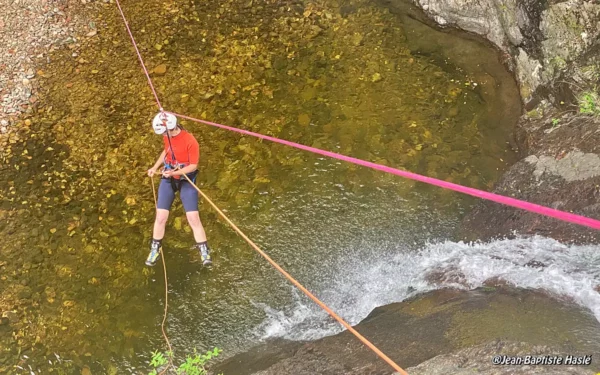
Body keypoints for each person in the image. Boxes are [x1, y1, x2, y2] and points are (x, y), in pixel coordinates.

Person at [145, 111, 212, 267]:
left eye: (164, 132)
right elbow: (167, 151)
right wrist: (155, 167)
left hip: (185, 180)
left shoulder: (190, 141)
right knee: (161, 217)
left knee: (193, 218)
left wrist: (174, 172)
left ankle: (204, 250)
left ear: (171, 128)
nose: (163, 135)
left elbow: (193, 165)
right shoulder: (168, 136)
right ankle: (155, 248)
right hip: (169, 178)